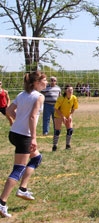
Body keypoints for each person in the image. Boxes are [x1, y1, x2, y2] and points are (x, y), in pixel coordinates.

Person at [0, 71, 47, 218]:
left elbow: (8, 110)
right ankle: (1, 203)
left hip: (14, 133)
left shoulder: (22, 94)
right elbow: (33, 116)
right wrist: (33, 138)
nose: (46, 83)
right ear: (36, 82)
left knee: (36, 158)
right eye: (44, 80)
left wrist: (18, 119)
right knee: (18, 169)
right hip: (24, 136)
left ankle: (23, 188)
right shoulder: (39, 96)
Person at [52, 84, 79, 151]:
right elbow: (56, 108)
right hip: (58, 115)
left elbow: (74, 108)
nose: (71, 91)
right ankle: (54, 146)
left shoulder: (74, 98)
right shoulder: (61, 98)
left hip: (67, 115)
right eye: (69, 90)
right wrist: (62, 116)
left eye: (72, 90)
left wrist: (70, 115)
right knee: (57, 131)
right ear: (65, 91)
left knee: (70, 130)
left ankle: (68, 145)